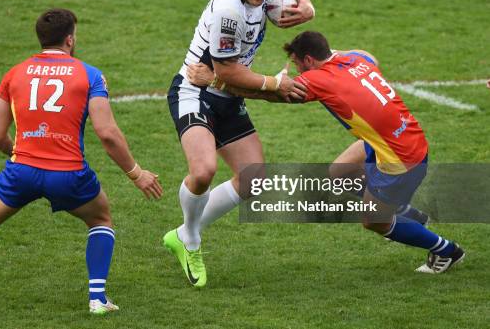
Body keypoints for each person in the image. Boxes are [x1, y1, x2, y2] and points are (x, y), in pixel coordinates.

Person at [0, 8, 162, 314]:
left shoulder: (14, 74)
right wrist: (136, 173)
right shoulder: (90, 75)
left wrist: (22, 155)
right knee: (100, 219)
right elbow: (107, 134)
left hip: (20, 172)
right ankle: (97, 299)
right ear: (70, 39)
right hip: (68, 175)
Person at [188, 31, 465, 273]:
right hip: (392, 139)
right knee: (339, 173)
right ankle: (407, 214)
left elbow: (275, 94)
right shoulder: (357, 60)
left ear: (309, 60)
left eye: (297, 64)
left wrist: (217, 81)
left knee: (374, 222)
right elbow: (369, 56)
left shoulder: (320, 79)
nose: (297, 71)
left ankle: (446, 251)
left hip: (399, 158)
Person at [164, 0, 313, 288]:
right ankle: (192, 241)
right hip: (196, 90)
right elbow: (228, 72)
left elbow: (297, 0)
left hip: (228, 95)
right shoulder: (228, 10)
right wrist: (275, 84)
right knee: (203, 171)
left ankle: (184, 234)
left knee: (252, 178)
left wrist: (307, 7)